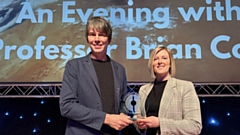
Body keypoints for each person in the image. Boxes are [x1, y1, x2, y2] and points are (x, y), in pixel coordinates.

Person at [59, 16, 133, 135]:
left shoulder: (119, 69)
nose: (97, 39)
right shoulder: (74, 66)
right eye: (92, 34)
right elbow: (66, 106)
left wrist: (128, 117)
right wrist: (106, 118)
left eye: (102, 35)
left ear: (109, 39)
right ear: (88, 39)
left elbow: (123, 104)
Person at [134, 46, 202, 135]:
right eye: (155, 59)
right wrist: (139, 124)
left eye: (164, 58)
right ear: (152, 64)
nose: (160, 61)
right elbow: (137, 116)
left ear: (170, 63)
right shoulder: (144, 90)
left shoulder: (185, 87)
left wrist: (160, 123)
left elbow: (194, 126)